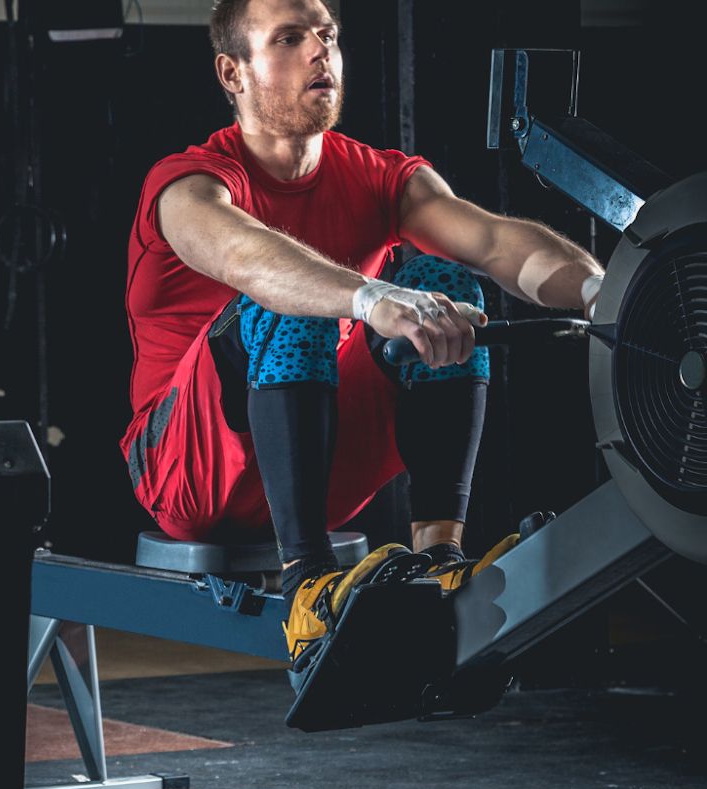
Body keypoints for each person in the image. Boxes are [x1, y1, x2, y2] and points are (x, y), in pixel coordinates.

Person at [120, 0, 604, 688]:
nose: (320, 50)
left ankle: (440, 557)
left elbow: (495, 241)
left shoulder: (380, 176)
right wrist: (371, 296)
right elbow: (248, 259)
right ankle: (307, 585)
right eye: (289, 38)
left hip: (321, 466)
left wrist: (605, 290)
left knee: (445, 289)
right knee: (294, 296)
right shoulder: (187, 185)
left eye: (327, 34)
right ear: (233, 73)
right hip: (192, 471)